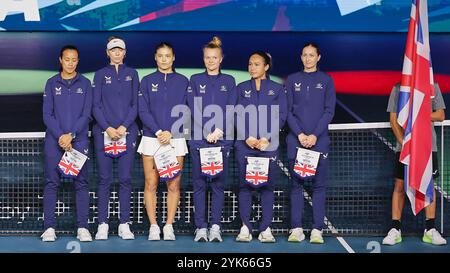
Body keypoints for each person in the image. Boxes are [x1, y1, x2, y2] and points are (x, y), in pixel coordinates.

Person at [383, 82, 446, 246]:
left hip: (427, 147)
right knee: (399, 185)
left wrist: (418, 112)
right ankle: (395, 229)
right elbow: (393, 119)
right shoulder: (398, 88)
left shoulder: (433, 86)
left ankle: (430, 230)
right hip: (404, 147)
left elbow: (440, 115)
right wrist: (405, 144)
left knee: (428, 186)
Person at [41, 45, 93, 242]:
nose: (70, 63)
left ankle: (83, 228)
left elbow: (86, 114)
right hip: (55, 142)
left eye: (74, 60)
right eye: (67, 59)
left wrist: (70, 135)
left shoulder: (86, 83)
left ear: (77, 61)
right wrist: (61, 136)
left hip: (78, 141)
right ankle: (49, 229)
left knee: (81, 183)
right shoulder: (51, 83)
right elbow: (47, 114)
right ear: (60, 60)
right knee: (52, 183)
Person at [187, 36, 237, 242]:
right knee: (199, 184)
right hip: (199, 140)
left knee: (217, 184)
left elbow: (231, 108)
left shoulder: (229, 81)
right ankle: (201, 227)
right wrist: (207, 130)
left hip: (221, 141)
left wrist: (218, 131)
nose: (210, 61)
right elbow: (192, 107)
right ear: (203, 58)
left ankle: (215, 226)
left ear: (221, 58)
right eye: (207, 57)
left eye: (214, 57)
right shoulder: (195, 80)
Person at [285, 43, 336, 244]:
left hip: (319, 142)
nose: (308, 58)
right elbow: (287, 111)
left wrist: (314, 135)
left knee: (318, 187)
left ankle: (317, 230)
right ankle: (296, 229)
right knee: (296, 185)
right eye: (305, 55)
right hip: (295, 142)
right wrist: (299, 134)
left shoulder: (326, 81)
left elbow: (329, 110)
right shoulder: (292, 80)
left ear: (318, 57)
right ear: (301, 57)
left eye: (311, 55)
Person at [138, 42, 189, 241]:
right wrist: (159, 131)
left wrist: (172, 132)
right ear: (155, 58)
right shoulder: (147, 80)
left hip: (175, 139)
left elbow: (187, 109)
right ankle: (153, 226)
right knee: (151, 183)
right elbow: (143, 110)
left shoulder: (184, 81)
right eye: (160, 55)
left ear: (173, 57)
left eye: (168, 55)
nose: (164, 59)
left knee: (173, 184)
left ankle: (168, 226)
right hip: (152, 138)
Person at [234, 51, 287, 243]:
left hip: (268, 146)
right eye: (250, 64)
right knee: (245, 186)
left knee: (267, 187)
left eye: (256, 64)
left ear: (266, 67)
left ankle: (266, 228)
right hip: (244, 145)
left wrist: (266, 138)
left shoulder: (277, 89)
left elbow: (281, 116)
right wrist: (246, 137)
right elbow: (236, 114)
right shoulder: (241, 88)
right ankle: (245, 227)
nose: (252, 68)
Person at [92, 36, 139, 240]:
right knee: (104, 179)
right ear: (107, 52)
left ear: (125, 52)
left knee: (125, 180)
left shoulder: (132, 74)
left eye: (120, 50)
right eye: (113, 50)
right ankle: (102, 224)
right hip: (104, 133)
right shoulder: (100, 74)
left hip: (127, 133)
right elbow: (95, 105)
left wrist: (123, 126)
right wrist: (108, 128)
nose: (117, 53)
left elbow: (135, 105)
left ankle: (124, 224)